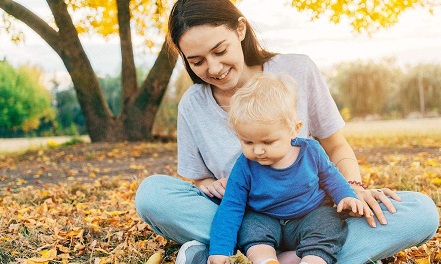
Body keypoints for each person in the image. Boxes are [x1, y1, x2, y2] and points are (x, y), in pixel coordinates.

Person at [135, 0, 439, 263]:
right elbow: (198, 178)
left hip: (312, 216)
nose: (213, 69)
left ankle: (250, 255)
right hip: (244, 215)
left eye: (220, 51)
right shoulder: (193, 104)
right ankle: (291, 254)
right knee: (153, 195)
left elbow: (336, 146)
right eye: (197, 61)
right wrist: (209, 184)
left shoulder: (298, 70)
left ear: (240, 30)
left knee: (421, 212)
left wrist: (353, 188)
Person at [208, 73, 371, 264]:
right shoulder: (244, 166)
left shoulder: (311, 151)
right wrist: (219, 250)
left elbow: (331, 178)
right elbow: (231, 207)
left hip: (309, 214)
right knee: (250, 227)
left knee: (328, 221)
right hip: (265, 218)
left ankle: (313, 259)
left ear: (294, 129)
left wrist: (346, 196)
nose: (258, 150)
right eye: (247, 141)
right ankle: (266, 260)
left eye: (268, 141)